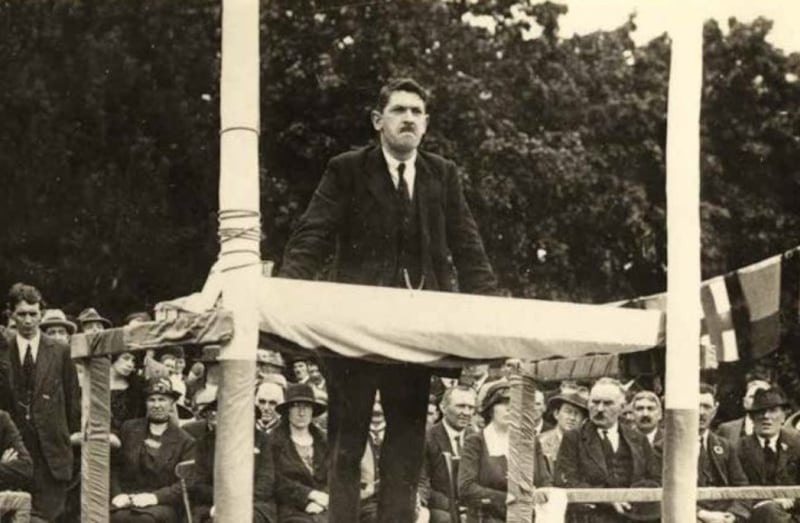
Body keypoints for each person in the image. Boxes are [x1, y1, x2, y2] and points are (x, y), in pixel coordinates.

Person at [278, 77, 497, 523]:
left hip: (415, 338)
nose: (409, 119)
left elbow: (468, 245)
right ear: (379, 121)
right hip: (354, 334)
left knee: (404, 451)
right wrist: (286, 296)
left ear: (427, 124)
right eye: (399, 110)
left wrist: (492, 313)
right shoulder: (347, 169)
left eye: (417, 112)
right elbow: (313, 234)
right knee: (345, 448)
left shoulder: (443, 174)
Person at [5, 283, 80, 521]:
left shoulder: (60, 350)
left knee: (47, 517)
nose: (28, 320)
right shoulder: (2, 350)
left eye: (33, 314)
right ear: (11, 315)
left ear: (41, 314)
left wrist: (69, 441)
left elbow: (72, 402)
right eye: (21, 314)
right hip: (15, 453)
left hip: (52, 453)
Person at [554, 377, 660, 522]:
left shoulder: (638, 439)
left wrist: (632, 499)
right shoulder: (574, 438)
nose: (600, 409)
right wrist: (607, 499)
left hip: (632, 517)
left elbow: (654, 479)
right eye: (595, 402)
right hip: (591, 517)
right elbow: (566, 482)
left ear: (622, 407)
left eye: (607, 403)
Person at [458, 380, 550, 523]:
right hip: (487, 516)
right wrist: (506, 498)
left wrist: (541, 493)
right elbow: (466, 488)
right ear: (490, 408)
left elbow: (545, 481)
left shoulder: (530, 441)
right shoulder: (476, 441)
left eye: (515, 404)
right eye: (503, 403)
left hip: (527, 514)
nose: (510, 408)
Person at [110, 377, 195, 523]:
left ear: (171, 404)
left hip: (162, 504)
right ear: (145, 403)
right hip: (126, 499)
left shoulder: (186, 441)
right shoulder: (129, 429)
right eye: (152, 400)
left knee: (143, 520)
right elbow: (114, 467)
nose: (156, 405)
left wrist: (155, 497)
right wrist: (117, 494)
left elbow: (186, 484)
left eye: (162, 399)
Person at [189, 397, 276, 523]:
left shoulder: (262, 441)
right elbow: (199, 484)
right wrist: (225, 502)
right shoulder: (206, 442)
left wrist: (239, 502)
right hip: (214, 503)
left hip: (254, 503)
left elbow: (266, 481)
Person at [736, 387, 800, 523]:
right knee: (769, 511)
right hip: (755, 515)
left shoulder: (797, 444)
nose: (766, 417)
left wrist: (791, 499)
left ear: (783, 417)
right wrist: (767, 502)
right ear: (752, 418)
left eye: (773, 411)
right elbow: (737, 488)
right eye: (760, 412)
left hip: (793, 514)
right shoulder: (739, 448)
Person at [271, 383, 330, 523]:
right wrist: (308, 496)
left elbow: (335, 474)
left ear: (312, 411)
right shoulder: (274, 442)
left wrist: (323, 499)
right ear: (288, 410)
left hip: (325, 504)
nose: (301, 412)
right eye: (296, 405)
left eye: (307, 406)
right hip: (291, 507)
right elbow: (275, 480)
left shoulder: (324, 441)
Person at [419, 385, 477, 523]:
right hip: (442, 508)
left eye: (471, 407)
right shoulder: (427, 439)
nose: (466, 412)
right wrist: (451, 505)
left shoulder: (477, 438)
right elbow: (422, 482)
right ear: (443, 408)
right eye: (460, 406)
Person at [695, 382, 750, 523]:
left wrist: (732, 515)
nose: (701, 412)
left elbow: (742, 488)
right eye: (696, 405)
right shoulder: (669, 447)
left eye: (706, 407)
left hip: (725, 516)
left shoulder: (725, 446)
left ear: (714, 410)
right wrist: (701, 514)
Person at [538, 388, 588, 476]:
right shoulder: (540, 442)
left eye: (577, 413)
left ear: (583, 420)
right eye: (568, 412)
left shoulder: (588, 444)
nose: (572, 418)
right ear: (556, 414)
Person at [717, 376, 772, 445]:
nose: (756, 401)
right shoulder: (726, 429)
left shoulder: (780, 432)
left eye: (761, 396)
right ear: (744, 401)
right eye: (752, 397)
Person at [110, 351, 146, 435]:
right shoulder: (96, 381)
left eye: (133, 361)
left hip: (126, 437)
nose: (130, 365)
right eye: (125, 358)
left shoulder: (137, 387)